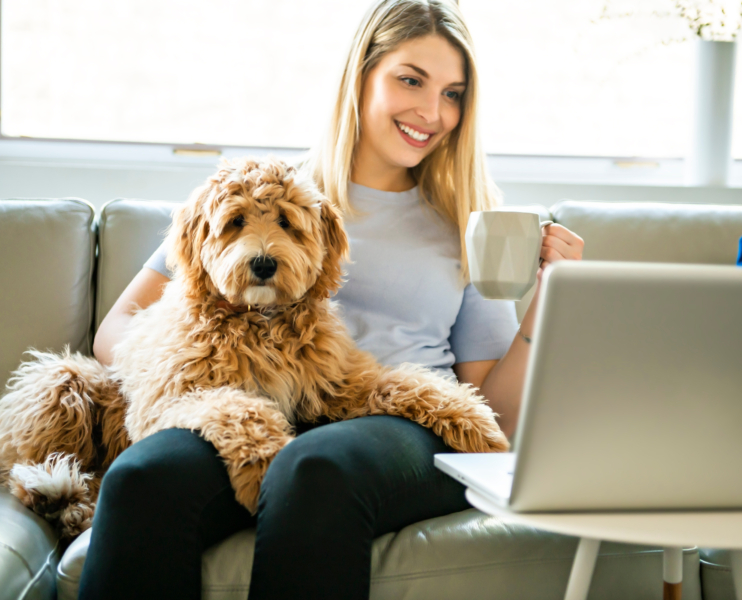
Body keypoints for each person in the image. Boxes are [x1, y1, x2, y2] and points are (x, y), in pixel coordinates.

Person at [79, 1, 584, 599]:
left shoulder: (467, 223)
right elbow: (118, 329)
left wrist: (549, 304)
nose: (432, 111)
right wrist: (204, 392)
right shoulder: (259, 196)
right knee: (142, 478)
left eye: (453, 93)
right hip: (247, 409)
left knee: (313, 467)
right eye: (411, 79)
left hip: (395, 425)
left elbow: (490, 411)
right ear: (362, 74)